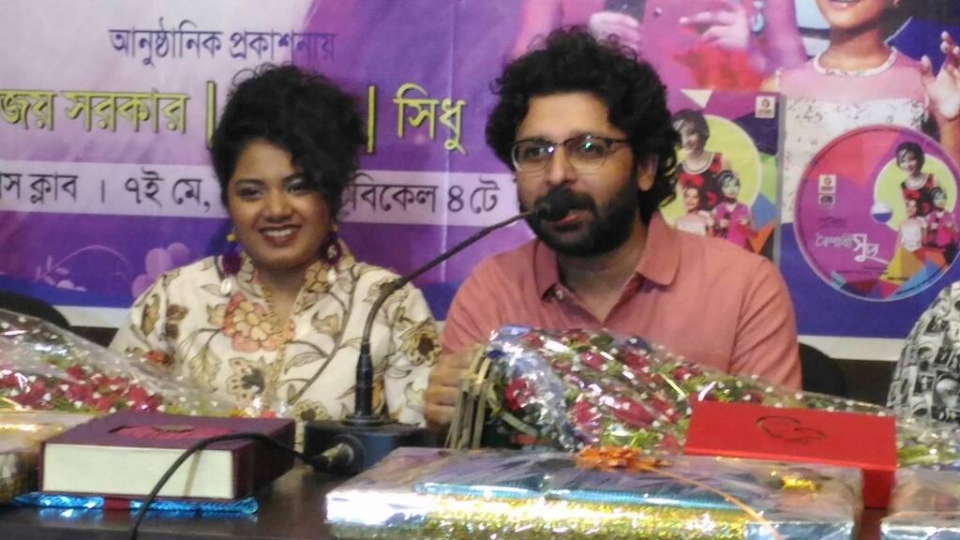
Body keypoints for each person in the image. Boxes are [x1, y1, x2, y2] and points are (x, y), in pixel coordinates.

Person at [425, 28, 801, 430]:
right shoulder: (492, 292)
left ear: (645, 168)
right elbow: (465, 452)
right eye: (535, 152)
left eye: (588, 149)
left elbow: (771, 451)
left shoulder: (742, 288)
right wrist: (451, 417)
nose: (557, 174)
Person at [111, 65, 439, 424]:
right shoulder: (174, 300)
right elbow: (109, 428)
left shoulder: (389, 304)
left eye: (298, 187)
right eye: (251, 192)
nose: (276, 210)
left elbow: (417, 445)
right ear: (229, 202)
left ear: (331, 195)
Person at [766, 0, 960, 224]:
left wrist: (950, 121)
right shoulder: (777, 89)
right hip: (792, 244)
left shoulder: (926, 88)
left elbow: (949, 212)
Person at [673, 109, 729, 212]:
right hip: (694, 221)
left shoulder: (720, 160)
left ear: (701, 132)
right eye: (679, 135)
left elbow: (730, 201)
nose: (685, 141)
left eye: (691, 133)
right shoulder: (678, 171)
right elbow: (685, 210)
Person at [711, 170, 753, 248]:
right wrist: (717, 225)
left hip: (741, 250)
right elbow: (710, 236)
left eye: (735, 185)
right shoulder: (716, 210)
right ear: (721, 190)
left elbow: (752, 236)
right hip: (722, 250)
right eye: (727, 186)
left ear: (739, 187)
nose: (732, 189)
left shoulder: (745, 209)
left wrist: (747, 225)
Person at [898, 142, 939, 218]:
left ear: (919, 159)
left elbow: (941, 208)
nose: (907, 165)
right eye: (902, 161)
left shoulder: (932, 180)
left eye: (911, 159)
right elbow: (907, 213)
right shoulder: (903, 186)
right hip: (914, 225)